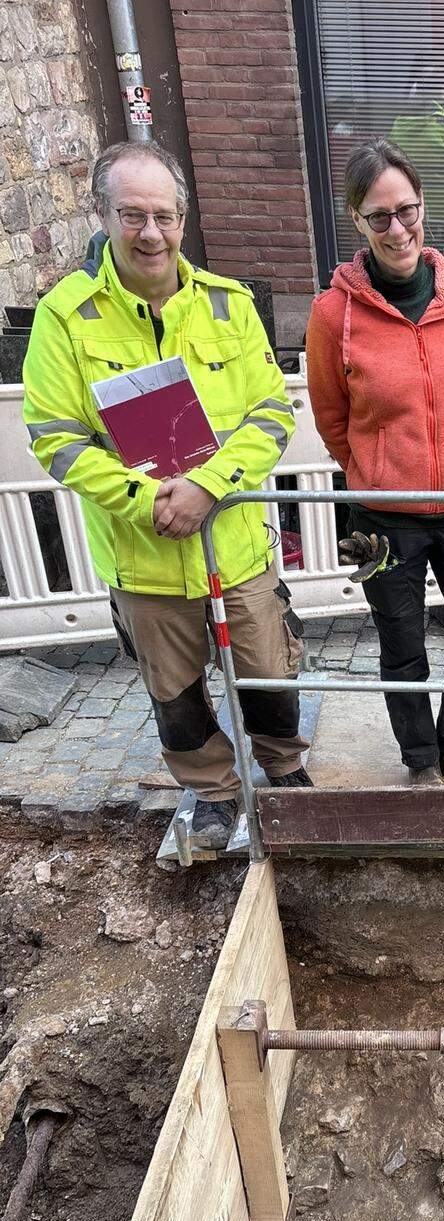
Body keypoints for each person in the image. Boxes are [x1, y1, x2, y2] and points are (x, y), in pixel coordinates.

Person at [23, 140, 309, 851]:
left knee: (269, 673)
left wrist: (207, 487)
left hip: (234, 546)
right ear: (103, 216)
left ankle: (284, 768)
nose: (150, 233)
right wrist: (145, 500)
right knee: (175, 692)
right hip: (143, 556)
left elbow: (271, 415)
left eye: (164, 216)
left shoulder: (227, 305)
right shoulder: (65, 317)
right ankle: (212, 790)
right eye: (133, 216)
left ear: (183, 219)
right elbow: (56, 438)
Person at [306, 138, 444, 786]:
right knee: (402, 647)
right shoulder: (332, 314)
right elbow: (331, 416)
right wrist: (375, 466)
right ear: (357, 220)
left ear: (423, 206)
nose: (397, 229)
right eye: (379, 216)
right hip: (381, 515)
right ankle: (421, 761)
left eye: (407, 210)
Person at [388, 70, 444, 227]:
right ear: (441, 90)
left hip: (406, 208)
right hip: (443, 207)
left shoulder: (399, 125)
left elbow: (388, 166)